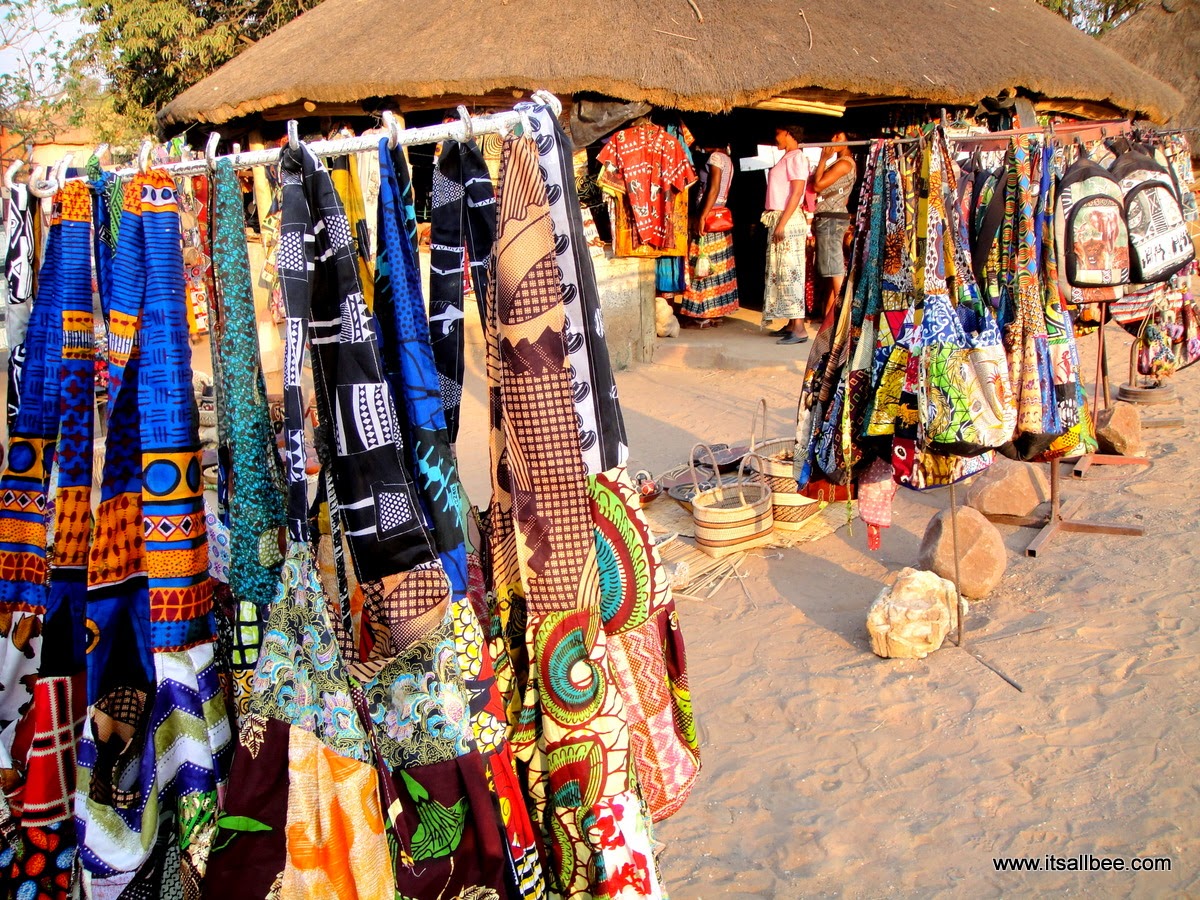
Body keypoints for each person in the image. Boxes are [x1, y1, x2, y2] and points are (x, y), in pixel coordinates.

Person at [680, 140, 739, 325]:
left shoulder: (715, 157)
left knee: (702, 264)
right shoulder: (727, 159)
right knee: (719, 266)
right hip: (720, 214)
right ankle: (717, 312)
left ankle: (703, 313)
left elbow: (713, 188)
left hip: (710, 215)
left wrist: (702, 216)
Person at [762, 123, 810, 344]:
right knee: (782, 271)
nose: (776, 138)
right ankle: (792, 324)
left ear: (789, 134)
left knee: (792, 272)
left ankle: (799, 328)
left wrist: (782, 223)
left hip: (788, 220)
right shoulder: (788, 157)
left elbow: (797, 191)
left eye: (778, 133)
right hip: (781, 218)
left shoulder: (797, 158)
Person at [810, 132, 857, 321]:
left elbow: (818, 186)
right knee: (831, 269)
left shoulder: (844, 163)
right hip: (832, 216)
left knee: (835, 269)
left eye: (838, 138)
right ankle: (832, 316)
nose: (832, 141)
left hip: (831, 218)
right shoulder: (843, 163)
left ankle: (845, 315)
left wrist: (822, 159)